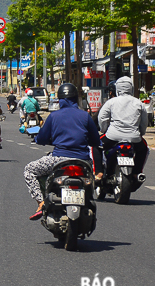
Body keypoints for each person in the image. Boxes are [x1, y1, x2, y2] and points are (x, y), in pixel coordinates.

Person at [24, 82, 101, 220]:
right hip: (83, 161)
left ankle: (41, 203)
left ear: (60, 100)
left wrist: (39, 139)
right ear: (75, 99)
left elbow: (41, 138)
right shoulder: (85, 116)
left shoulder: (54, 116)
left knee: (29, 170)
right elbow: (95, 140)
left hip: (58, 160)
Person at [96, 76, 149, 178]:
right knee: (143, 149)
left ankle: (99, 172)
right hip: (134, 138)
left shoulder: (111, 102)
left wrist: (103, 130)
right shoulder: (139, 103)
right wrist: (140, 133)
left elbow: (102, 118)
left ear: (117, 89)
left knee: (95, 146)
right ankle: (136, 173)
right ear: (131, 88)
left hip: (112, 136)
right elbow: (144, 122)